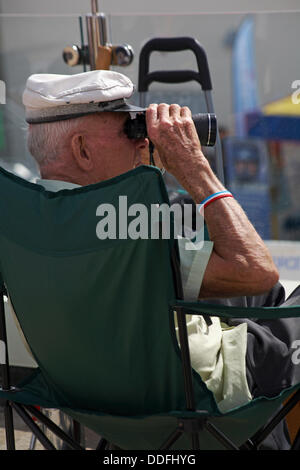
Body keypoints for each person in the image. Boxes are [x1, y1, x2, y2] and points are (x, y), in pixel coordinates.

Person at [22, 70, 300, 448]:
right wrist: (193, 166)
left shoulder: (27, 224)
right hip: (197, 399)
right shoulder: (121, 233)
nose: (141, 143)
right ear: (82, 149)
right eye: (129, 128)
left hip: (106, 406)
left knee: (247, 297)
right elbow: (259, 271)